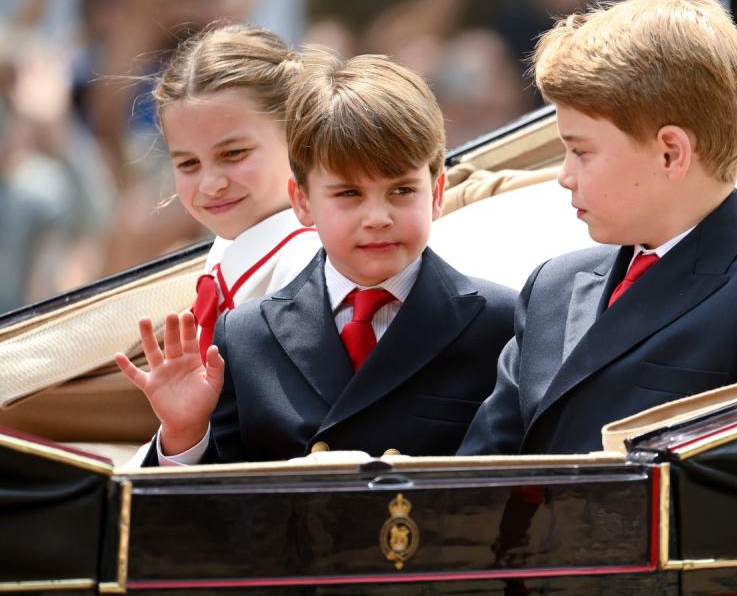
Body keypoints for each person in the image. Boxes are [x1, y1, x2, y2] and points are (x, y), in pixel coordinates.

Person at [459, 0, 737, 456]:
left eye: (581, 151)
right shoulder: (552, 287)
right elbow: (480, 470)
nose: (564, 176)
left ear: (670, 153)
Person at [117, 47, 517, 464]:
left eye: (401, 191)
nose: (378, 217)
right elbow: (214, 503)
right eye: (349, 194)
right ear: (303, 201)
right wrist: (185, 433)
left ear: (436, 194)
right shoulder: (246, 336)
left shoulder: (498, 321)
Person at [116, 23, 322, 465]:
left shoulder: (306, 270)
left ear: (299, 136)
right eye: (188, 163)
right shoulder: (226, 253)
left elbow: (275, 447)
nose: (210, 184)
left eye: (233, 154)